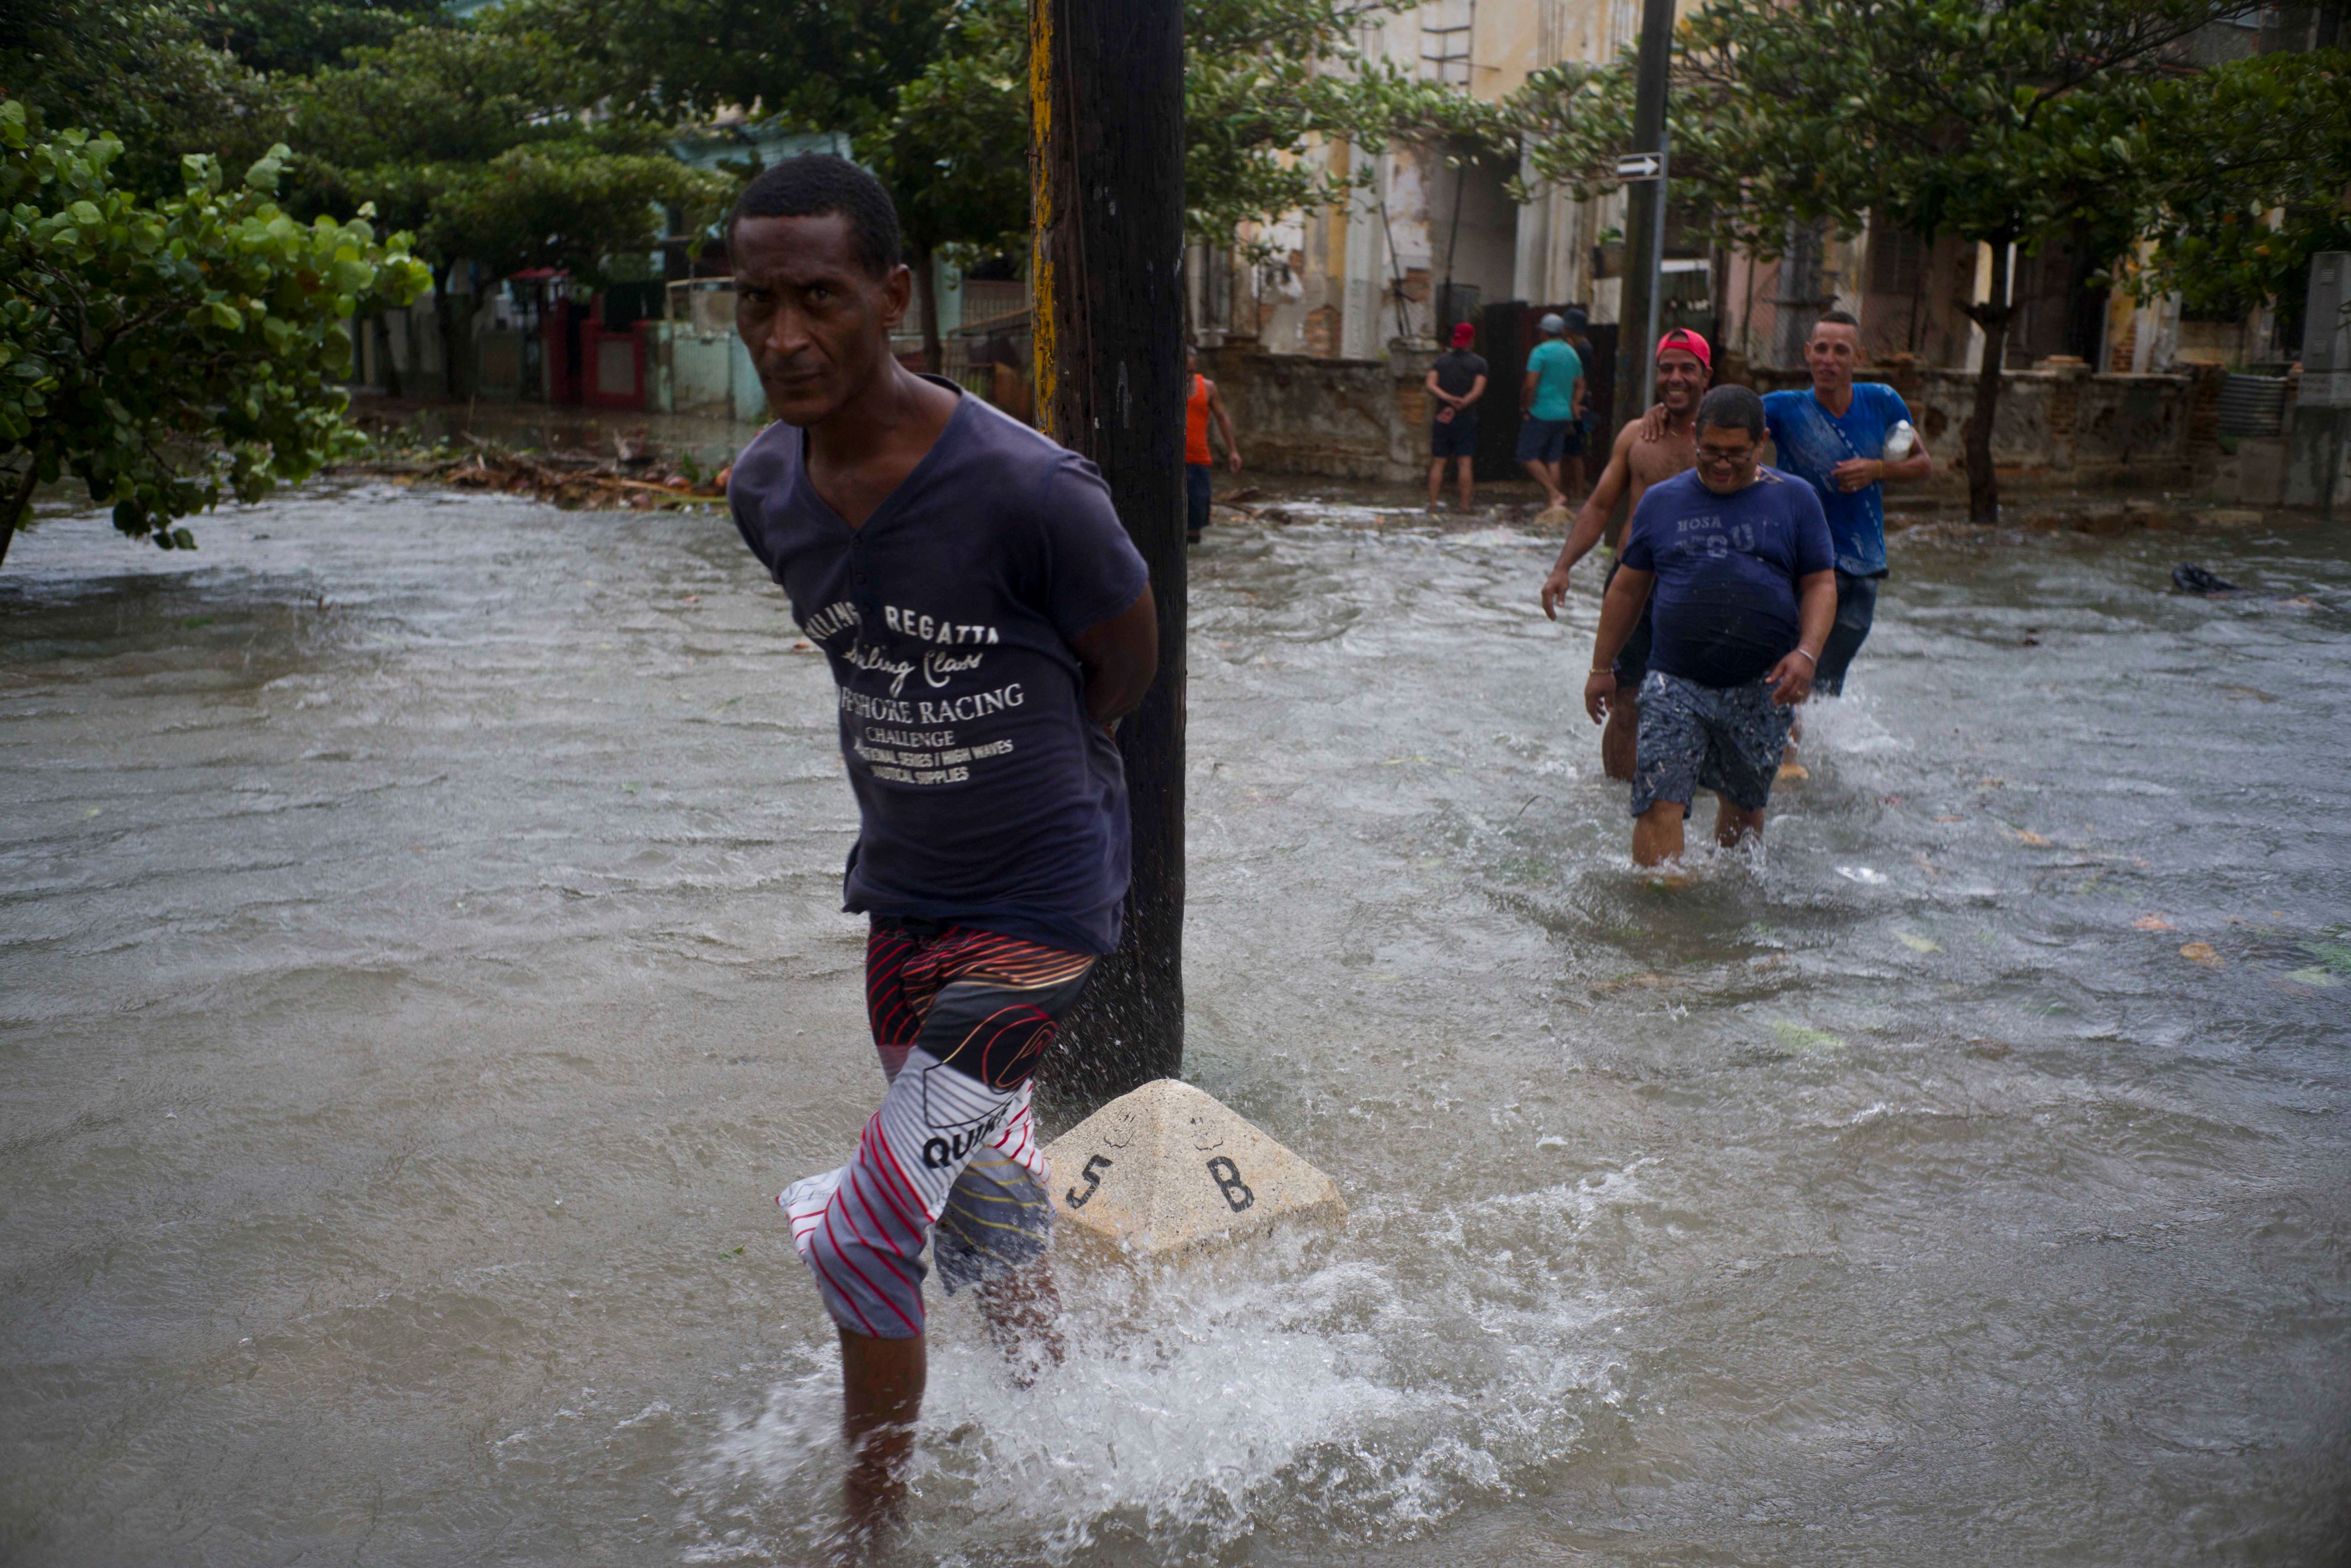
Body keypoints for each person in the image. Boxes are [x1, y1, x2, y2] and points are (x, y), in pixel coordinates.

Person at [724, 154, 1158, 1542]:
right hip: (903, 901)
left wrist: (1034, 785)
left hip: (1037, 904)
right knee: (975, 1199)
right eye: (756, 303)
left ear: (891, 296)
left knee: (863, 1233)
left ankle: (868, 1533)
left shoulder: (1033, 490)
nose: (784, 336)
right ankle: (1063, 1423)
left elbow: (1124, 668)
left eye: (820, 298)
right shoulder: (763, 491)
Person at [1584, 385, 1836, 868]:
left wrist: (1806, 653)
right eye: (1710, 452)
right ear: (1696, 438)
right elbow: (1626, 589)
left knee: (1743, 812)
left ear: (1761, 442)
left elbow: (1820, 585)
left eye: (1735, 455)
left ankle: (1721, 922)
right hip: (1674, 680)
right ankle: (1661, 917)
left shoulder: (1796, 500)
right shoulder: (1662, 502)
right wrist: (1602, 666)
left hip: (1760, 685)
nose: (1721, 464)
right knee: (1660, 801)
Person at [1539, 327, 1713, 780]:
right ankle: (1616, 802)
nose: (1675, 378)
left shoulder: (1723, 441)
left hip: (1699, 587)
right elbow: (1599, 506)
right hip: (1633, 580)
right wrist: (1562, 568)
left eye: (1686, 369)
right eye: (1666, 369)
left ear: (1706, 376)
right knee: (1625, 700)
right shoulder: (1638, 435)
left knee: (1703, 701)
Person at [1757, 310, 1929, 694]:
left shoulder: (1883, 401)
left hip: (1864, 566)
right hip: (1803, 560)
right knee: (1791, 665)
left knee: (1827, 683)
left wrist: (1877, 469)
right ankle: (1786, 751)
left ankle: (1814, 752)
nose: (1827, 360)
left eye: (1840, 350)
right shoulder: (1785, 408)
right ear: (1806, 353)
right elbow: (1724, 422)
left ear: (1859, 357)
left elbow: (1922, 463)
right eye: (1820, 349)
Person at [1517, 312, 1586, 510]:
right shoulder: (1572, 353)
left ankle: (1555, 494)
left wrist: (1526, 407)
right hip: (1563, 414)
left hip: (1541, 412)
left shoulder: (1540, 352)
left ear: (1544, 332)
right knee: (1554, 459)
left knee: (1527, 455)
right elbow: (1581, 384)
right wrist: (1574, 404)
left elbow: (1530, 385)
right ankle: (1555, 506)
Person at [1425, 320, 1489, 509]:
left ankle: (1433, 504)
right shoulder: (1479, 363)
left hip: (1442, 417)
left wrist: (1448, 399)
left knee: (1438, 462)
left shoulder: (1441, 361)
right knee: (1464, 462)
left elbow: (1430, 385)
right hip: (1466, 418)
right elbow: (1478, 391)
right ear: (1472, 340)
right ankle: (1465, 506)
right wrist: (1461, 403)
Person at [1185, 343, 1241, 544]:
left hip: (1198, 461)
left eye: (1191, 371)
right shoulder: (1167, 387)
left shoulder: (1207, 388)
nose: (1188, 376)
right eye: (1184, 372)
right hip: (1173, 463)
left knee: (1198, 515)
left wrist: (1233, 451)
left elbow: (1222, 418)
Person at [1558, 307, 1598, 500]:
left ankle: (1578, 489)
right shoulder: (1582, 347)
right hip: (1579, 401)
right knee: (1569, 449)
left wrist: (1575, 405)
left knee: (1574, 450)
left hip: (1578, 403)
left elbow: (1579, 380)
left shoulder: (1581, 350)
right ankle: (1570, 488)